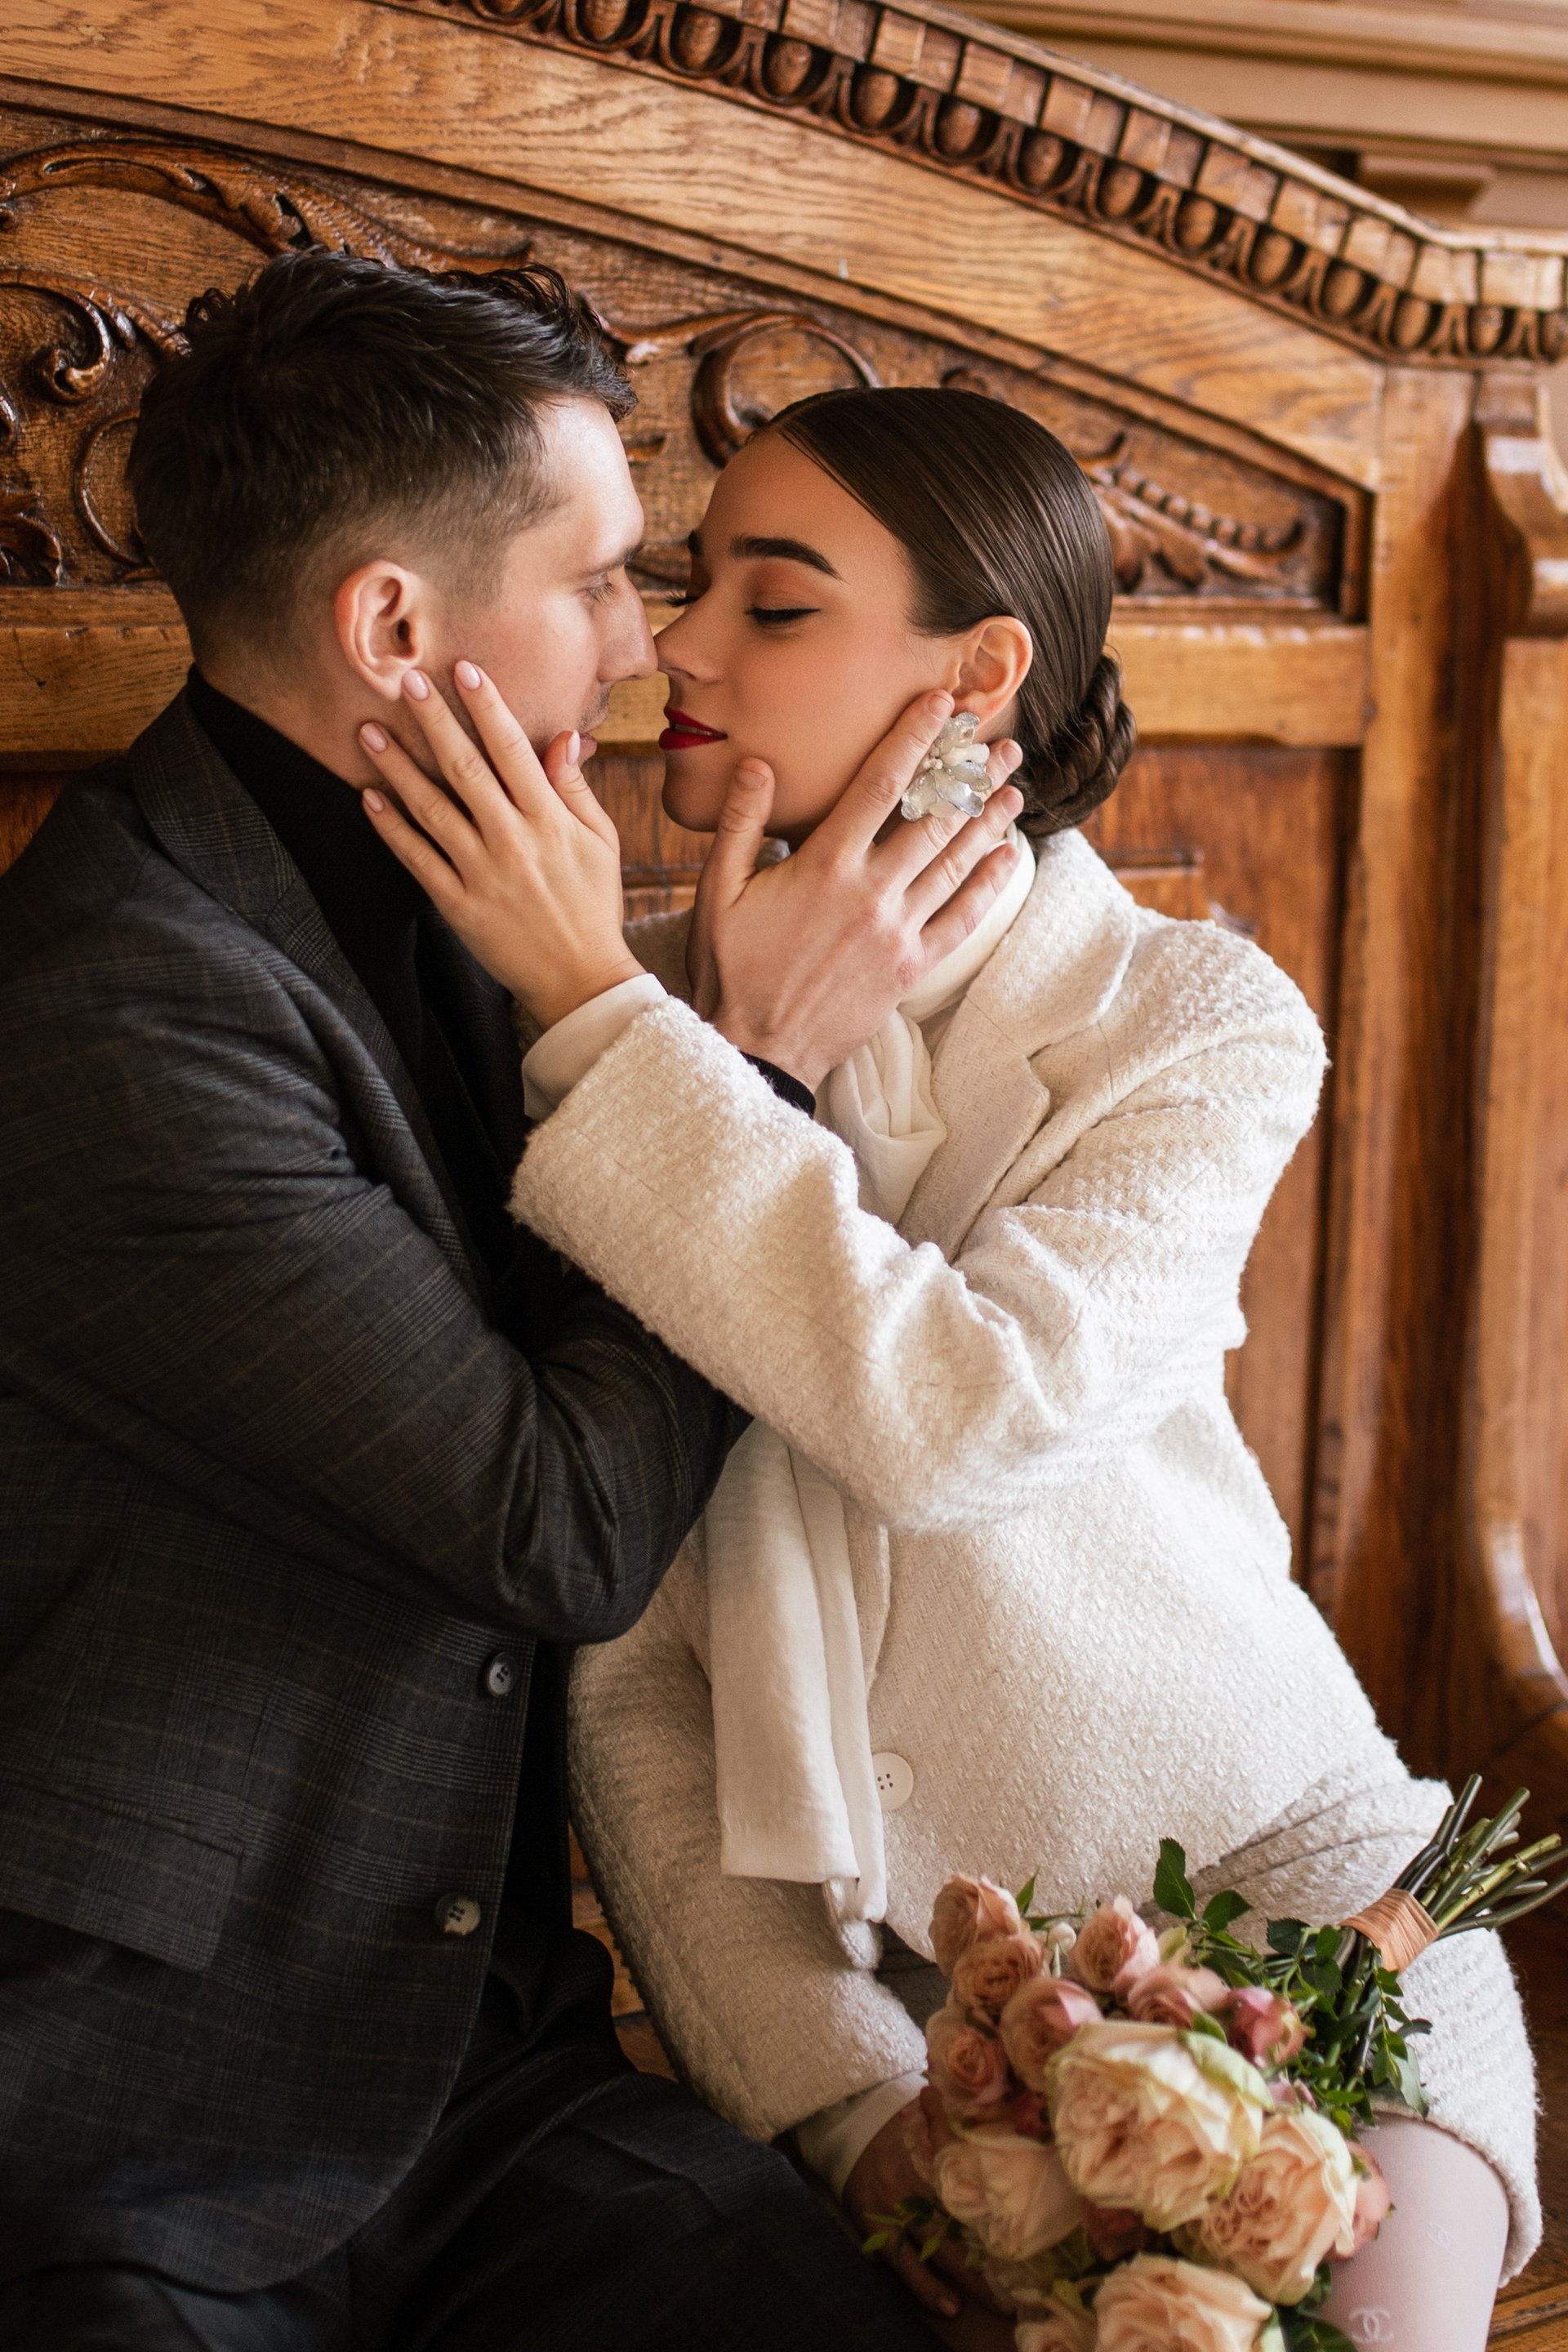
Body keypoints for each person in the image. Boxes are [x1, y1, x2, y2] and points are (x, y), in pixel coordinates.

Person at [359, 385, 1539, 2350]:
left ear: (979, 674)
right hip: (925, 2031)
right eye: (687, 583)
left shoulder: (1196, 1019)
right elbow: (630, 1674)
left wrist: (639, 1035)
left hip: (1314, 1910)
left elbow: (963, 1420)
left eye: (775, 603)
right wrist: (841, 2102)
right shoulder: (593, 1045)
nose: (678, 650)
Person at [0, 259, 1029, 2350]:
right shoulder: (119, 1002)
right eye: (604, 577)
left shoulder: (492, 862)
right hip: (136, 2101)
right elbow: (553, 1523)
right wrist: (747, 1065)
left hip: (503, 2071)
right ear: (394, 627)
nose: (647, 648)